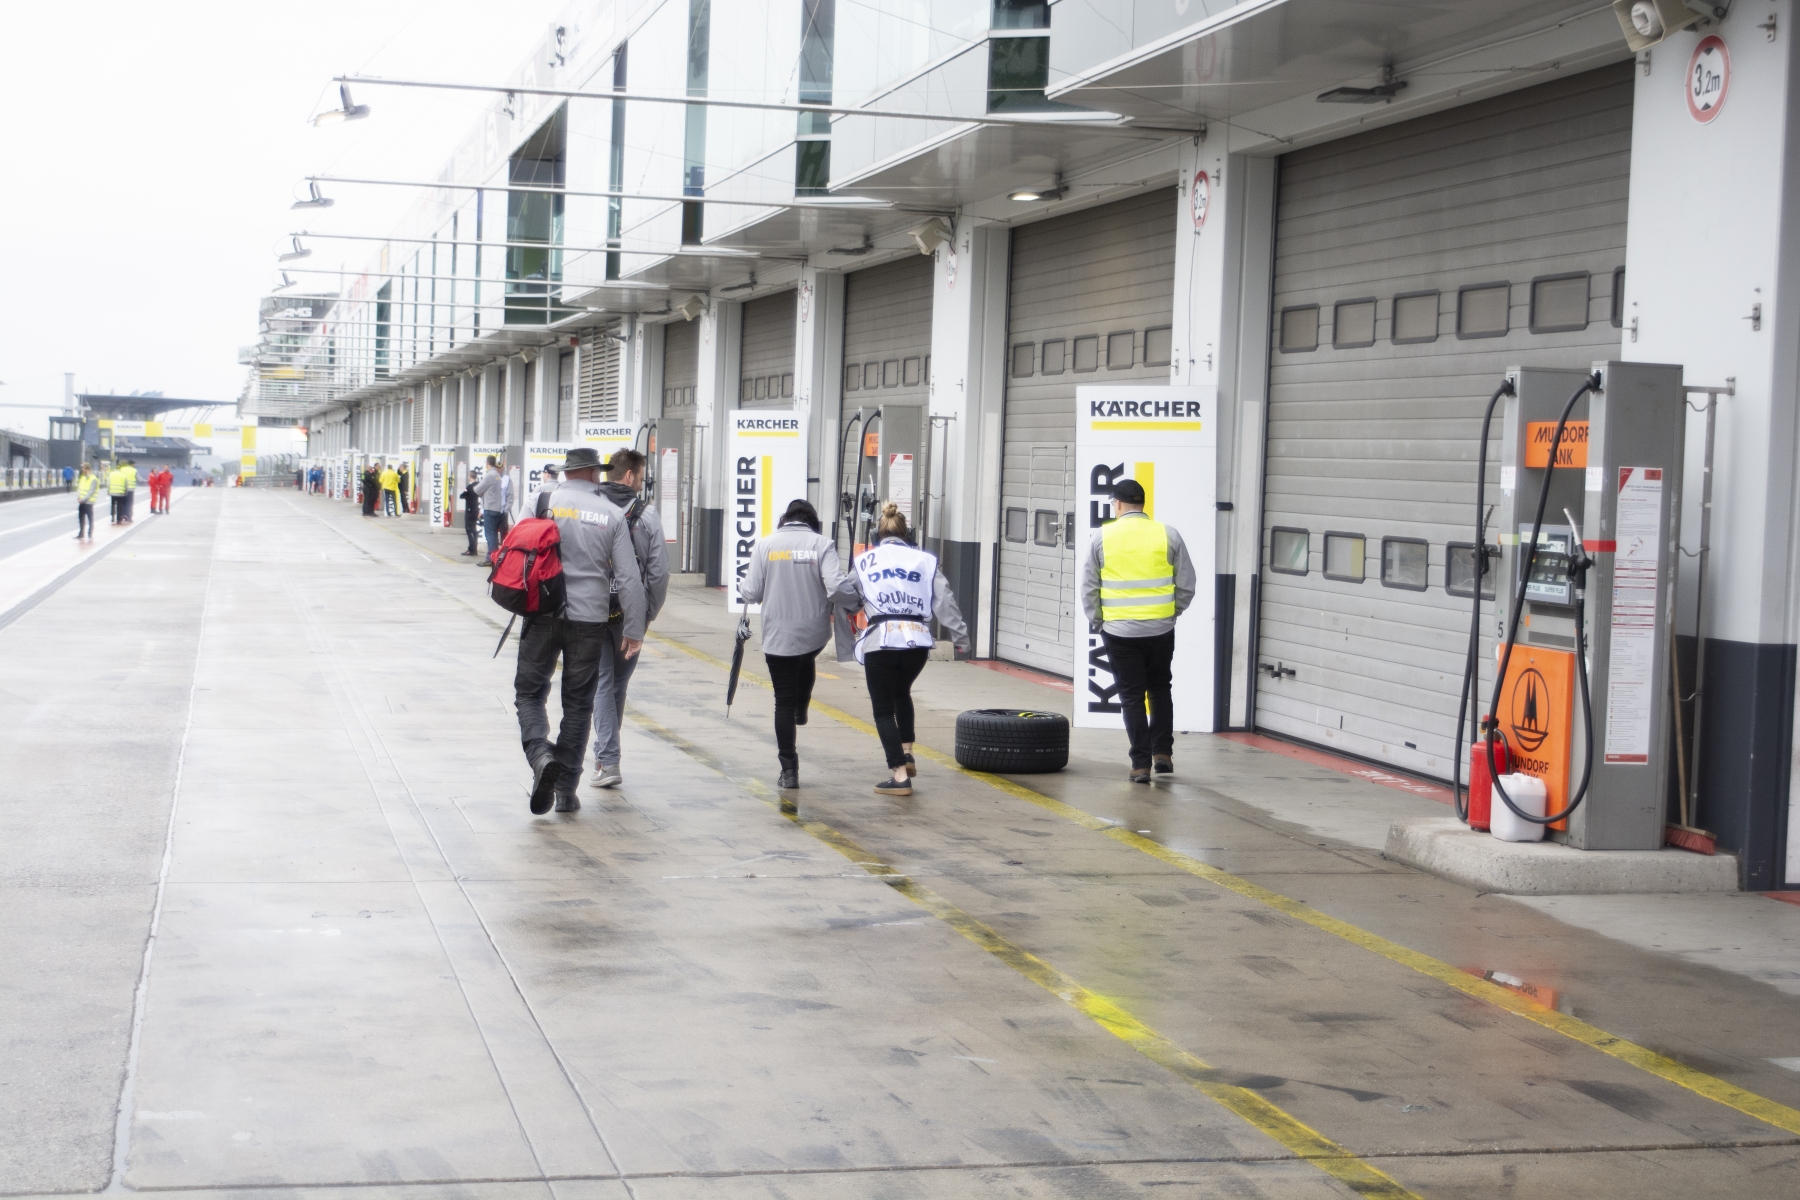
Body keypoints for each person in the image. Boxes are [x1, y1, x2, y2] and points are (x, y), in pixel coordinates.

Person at [515, 446, 647, 814]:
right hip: (589, 621)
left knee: (530, 693)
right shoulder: (611, 513)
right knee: (578, 705)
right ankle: (566, 792)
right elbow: (629, 578)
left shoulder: (541, 500)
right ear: (594, 473)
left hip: (542, 614)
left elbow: (517, 549)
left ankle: (541, 756)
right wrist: (633, 629)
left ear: (566, 472)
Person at [845, 502, 970, 796]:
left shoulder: (864, 562)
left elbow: (845, 594)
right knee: (901, 692)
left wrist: (852, 609)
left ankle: (900, 777)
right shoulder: (925, 561)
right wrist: (960, 637)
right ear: (908, 535)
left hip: (881, 641)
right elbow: (945, 601)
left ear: (876, 535)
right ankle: (908, 752)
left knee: (883, 710)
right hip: (917, 643)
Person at [1081, 478, 1198, 783]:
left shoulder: (1102, 536)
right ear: (1142, 504)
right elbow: (1187, 583)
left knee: (1131, 695)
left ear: (1117, 504)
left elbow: (1089, 586)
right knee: (1160, 687)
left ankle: (1141, 765)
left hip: (1120, 632)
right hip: (1160, 629)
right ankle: (1163, 754)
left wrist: (1098, 621)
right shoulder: (1168, 534)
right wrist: (1171, 613)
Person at [740, 498, 857, 790]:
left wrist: (745, 585)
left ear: (785, 519)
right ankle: (801, 706)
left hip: (777, 635)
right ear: (812, 523)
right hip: (813, 633)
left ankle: (789, 770)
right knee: (805, 658)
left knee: (782, 700)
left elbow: (751, 593)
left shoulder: (765, 545)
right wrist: (856, 602)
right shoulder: (822, 544)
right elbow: (835, 586)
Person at [587, 448, 669, 790]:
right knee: (615, 684)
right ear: (631, 475)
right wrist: (645, 617)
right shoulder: (647, 515)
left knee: (603, 683)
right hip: (630, 613)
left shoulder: (593, 507)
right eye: (641, 476)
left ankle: (607, 760)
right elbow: (659, 574)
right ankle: (606, 756)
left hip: (592, 610)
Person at [474, 455, 507, 560]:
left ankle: (491, 558)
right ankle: (494, 557)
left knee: (490, 535)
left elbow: (477, 490)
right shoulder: (497, 475)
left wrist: (481, 491)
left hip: (489, 508)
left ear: (487, 463)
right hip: (497, 509)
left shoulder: (490, 475)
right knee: (494, 534)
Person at [458, 469, 482, 557]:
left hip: (469, 511)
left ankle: (471, 549)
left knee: (469, 529)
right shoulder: (480, 485)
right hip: (477, 510)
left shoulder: (469, 487)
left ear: (470, 477)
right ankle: (474, 549)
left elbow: (461, 496)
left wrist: (466, 496)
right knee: (474, 530)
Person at [74, 463, 100, 539]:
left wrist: (83, 499)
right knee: (81, 519)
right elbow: (79, 489)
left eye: (83, 468)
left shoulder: (94, 479)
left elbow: (91, 492)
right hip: (82, 502)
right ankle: (81, 533)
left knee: (90, 519)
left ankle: (90, 534)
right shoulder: (83, 478)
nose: (82, 470)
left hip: (89, 502)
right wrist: (79, 497)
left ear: (87, 469)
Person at [107, 461, 128, 525]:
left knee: (113, 505)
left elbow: (108, 483)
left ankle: (112, 517)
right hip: (120, 493)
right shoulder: (124, 475)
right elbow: (126, 485)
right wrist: (126, 492)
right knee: (119, 506)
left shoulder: (111, 474)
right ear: (120, 468)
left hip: (113, 492)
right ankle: (118, 519)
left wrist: (108, 491)